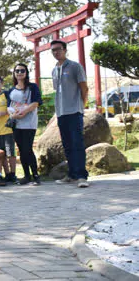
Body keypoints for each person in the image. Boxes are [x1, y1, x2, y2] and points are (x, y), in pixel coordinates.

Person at [51, 40, 90, 188]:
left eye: (58, 49)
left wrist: (82, 105)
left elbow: (84, 88)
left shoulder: (75, 66)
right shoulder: (54, 70)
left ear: (65, 50)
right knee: (67, 145)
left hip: (74, 111)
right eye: (53, 50)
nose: (56, 52)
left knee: (77, 143)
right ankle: (72, 174)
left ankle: (81, 176)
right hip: (61, 113)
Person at [9, 64, 42, 185]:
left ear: (26, 72)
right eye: (17, 71)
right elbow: (9, 106)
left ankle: (36, 175)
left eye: (22, 70)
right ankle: (26, 176)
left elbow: (36, 103)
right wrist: (14, 115)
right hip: (16, 124)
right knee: (22, 150)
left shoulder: (32, 87)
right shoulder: (12, 90)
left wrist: (23, 112)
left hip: (29, 123)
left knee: (28, 149)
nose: (19, 72)